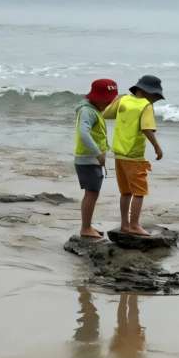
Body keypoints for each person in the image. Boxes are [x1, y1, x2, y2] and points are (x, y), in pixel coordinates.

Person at [103, 75, 165, 236]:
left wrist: (117, 99)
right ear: (148, 92)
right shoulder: (145, 106)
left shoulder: (124, 100)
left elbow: (106, 114)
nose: (155, 100)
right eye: (155, 96)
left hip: (119, 154)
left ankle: (125, 225)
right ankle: (135, 225)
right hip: (135, 156)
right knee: (139, 192)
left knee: (125, 192)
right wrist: (157, 147)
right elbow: (146, 129)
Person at [73, 78, 119, 238]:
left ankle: (87, 225)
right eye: (107, 101)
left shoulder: (93, 109)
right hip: (88, 159)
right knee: (91, 193)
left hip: (90, 159)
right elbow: (83, 133)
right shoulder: (87, 111)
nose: (108, 104)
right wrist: (97, 153)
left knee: (93, 192)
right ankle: (85, 228)